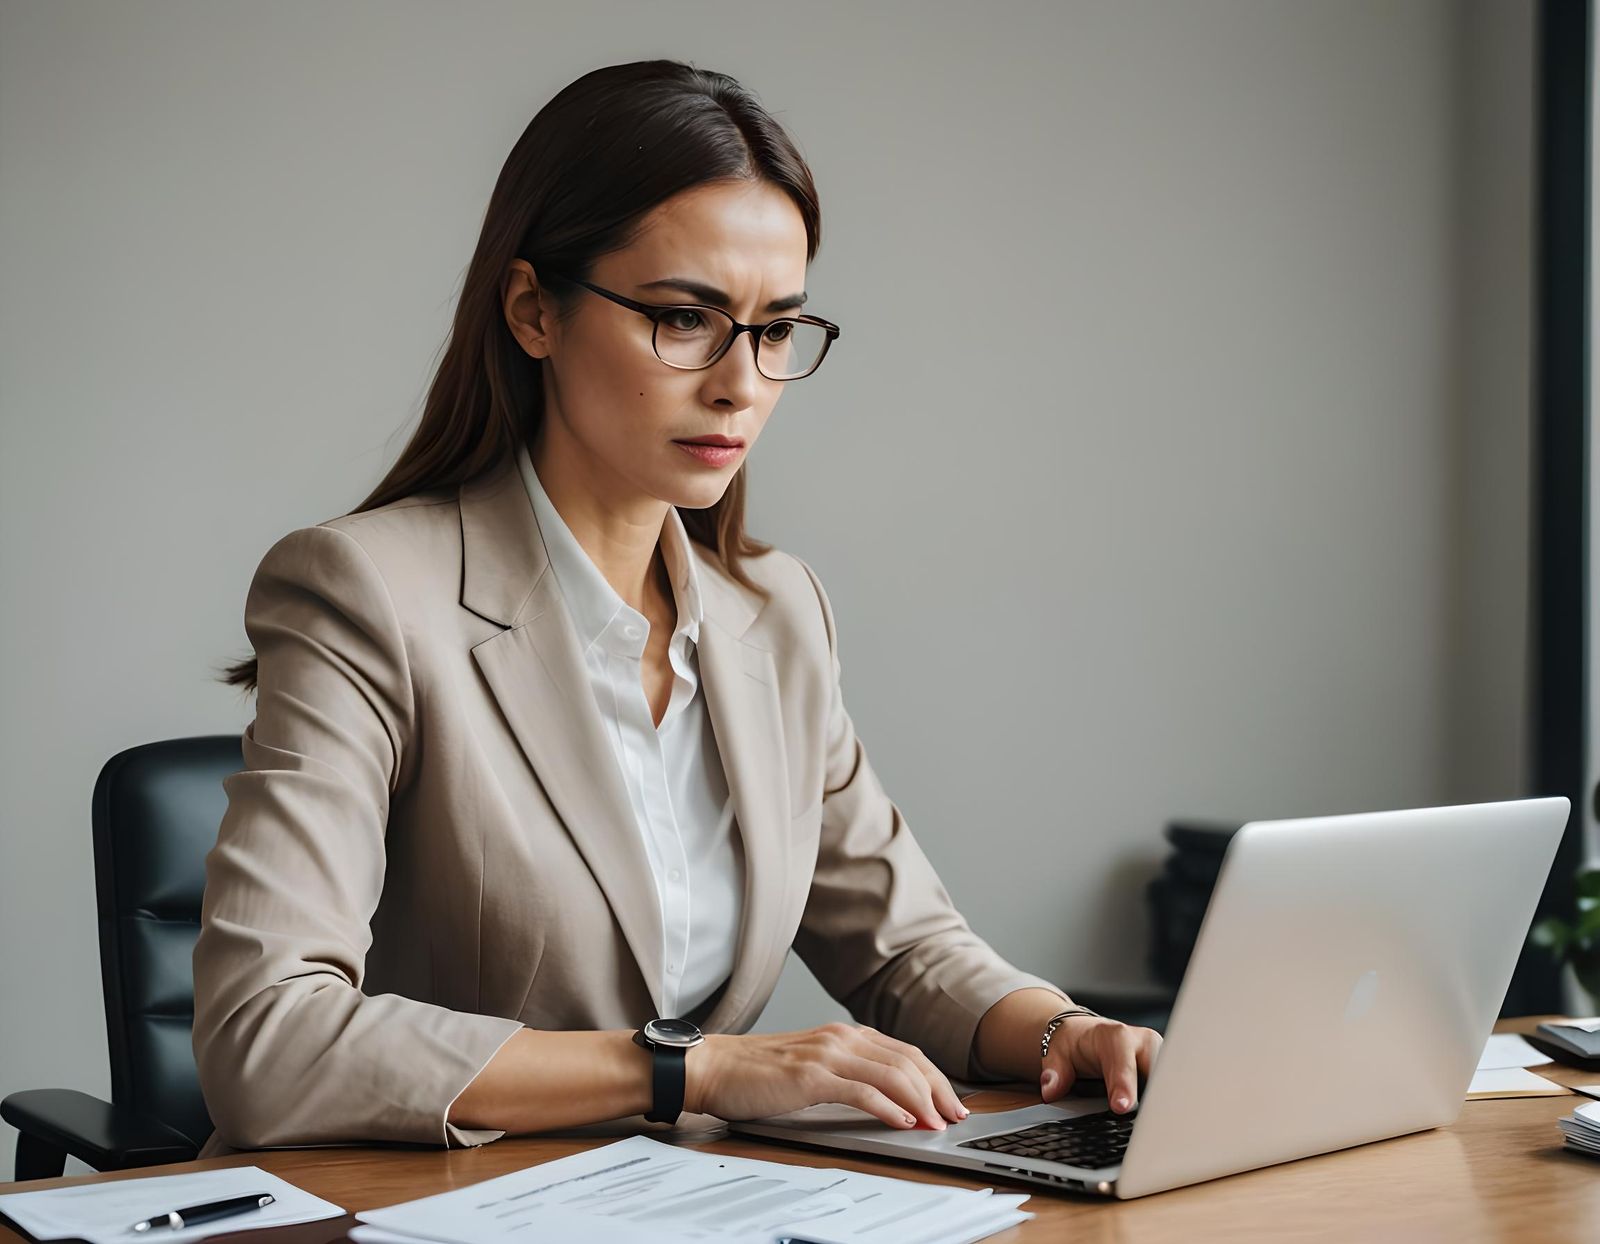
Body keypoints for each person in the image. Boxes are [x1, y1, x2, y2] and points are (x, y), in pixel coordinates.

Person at [193, 57, 1161, 1158]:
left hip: (687, 1207)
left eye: (776, 328)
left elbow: (903, 951)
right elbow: (265, 1037)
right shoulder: (365, 591)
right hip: (425, 1208)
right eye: (685, 317)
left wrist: (1069, 1030)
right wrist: (690, 1069)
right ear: (532, 311)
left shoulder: (776, 611)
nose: (740, 381)